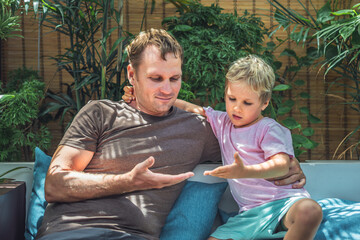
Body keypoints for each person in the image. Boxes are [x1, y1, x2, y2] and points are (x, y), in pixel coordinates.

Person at [36, 29, 306, 240]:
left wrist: (288, 166)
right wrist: (128, 181)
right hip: (71, 232)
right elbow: (55, 185)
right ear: (132, 74)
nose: (167, 90)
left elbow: (250, 144)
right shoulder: (100, 113)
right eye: (156, 78)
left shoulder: (197, 129)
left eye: (174, 79)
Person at [125, 55, 322, 240]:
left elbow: (281, 165)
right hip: (249, 216)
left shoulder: (269, 128)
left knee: (310, 210)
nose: (237, 108)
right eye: (232, 98)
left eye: (247, 102)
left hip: (284, 204)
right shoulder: (222, 122)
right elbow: (190, 108)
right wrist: (144, 96)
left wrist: (246, 171)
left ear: (265, 102)